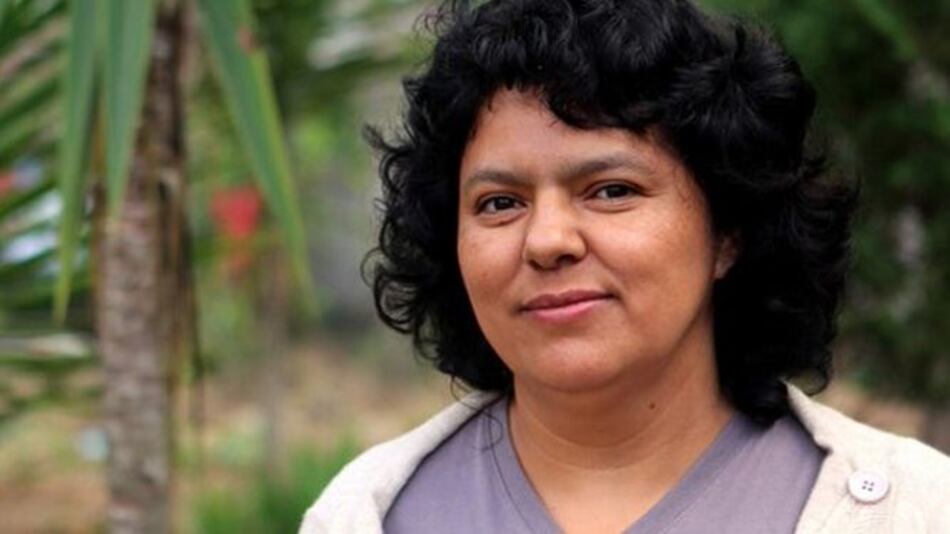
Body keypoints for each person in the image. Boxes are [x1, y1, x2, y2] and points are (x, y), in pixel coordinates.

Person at [299, 0, 950, 532]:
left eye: (611, 190)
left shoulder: (915, 510)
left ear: (728, 231)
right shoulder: (370, 516)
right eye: (499, 203)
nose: (547, 240)